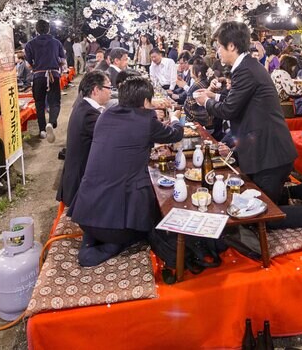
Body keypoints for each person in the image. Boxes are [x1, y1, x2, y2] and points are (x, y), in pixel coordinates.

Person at [195, 22, 302, 229]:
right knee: (255, 196)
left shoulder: (245, 70)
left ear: (231, 46)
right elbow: (240, 99)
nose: (217, 52)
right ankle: (300, 192)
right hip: (266, 149)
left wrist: (206, 102)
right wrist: (215, 95)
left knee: (255, 218)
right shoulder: (247, 66)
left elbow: (229, 110)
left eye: (218, 46)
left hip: (269, 153)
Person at [70, 76, 183, 266]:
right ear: (146, 102)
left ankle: (90, 240)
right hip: (115, 225)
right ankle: (105, 249)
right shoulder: (146, 120)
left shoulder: (106, 114)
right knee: (146, 227)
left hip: (85, 212)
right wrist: (175, 118)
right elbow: (175, 134)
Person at [57, 71, 112, 208]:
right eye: (109, 88)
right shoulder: (88, 114)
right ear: (95, 90)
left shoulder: (84, 106)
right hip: (80, 186)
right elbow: (112, 136)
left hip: (81, 177)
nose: (111, 92)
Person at [24, 19, 66, 142]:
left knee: (39, 103)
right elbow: (63, 61)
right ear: (48, 29)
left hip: (38, 76)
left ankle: (42, 130)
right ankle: (51, 123)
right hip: (53, 75)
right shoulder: (56, 43)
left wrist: (36, 68)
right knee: (55, 102)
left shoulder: (30, 44)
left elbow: (28, 64)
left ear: (36, 30)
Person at [183, 60, 213, 127]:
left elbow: (190, 105)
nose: (190, 70)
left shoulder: (198, 85)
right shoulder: (204, 82)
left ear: (199, 73)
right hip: (205, 119)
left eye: (192, 69)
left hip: (198, 120)